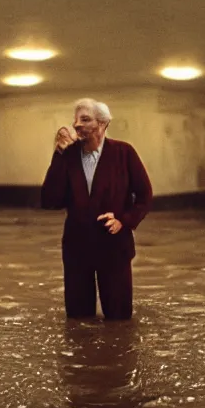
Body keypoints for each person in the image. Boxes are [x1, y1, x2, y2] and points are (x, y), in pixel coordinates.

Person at [40, 98, 153, 320]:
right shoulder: (69, 156)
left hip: (114, 245)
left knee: (119, 320)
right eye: (75, 120)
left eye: (85, 119)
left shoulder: (124, 152)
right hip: (76, 247)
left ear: (102, 124)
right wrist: (58, 154)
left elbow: (145, 196)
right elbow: (49, 200)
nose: (76, 125)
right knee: (78, 322)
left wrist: (124, 219)